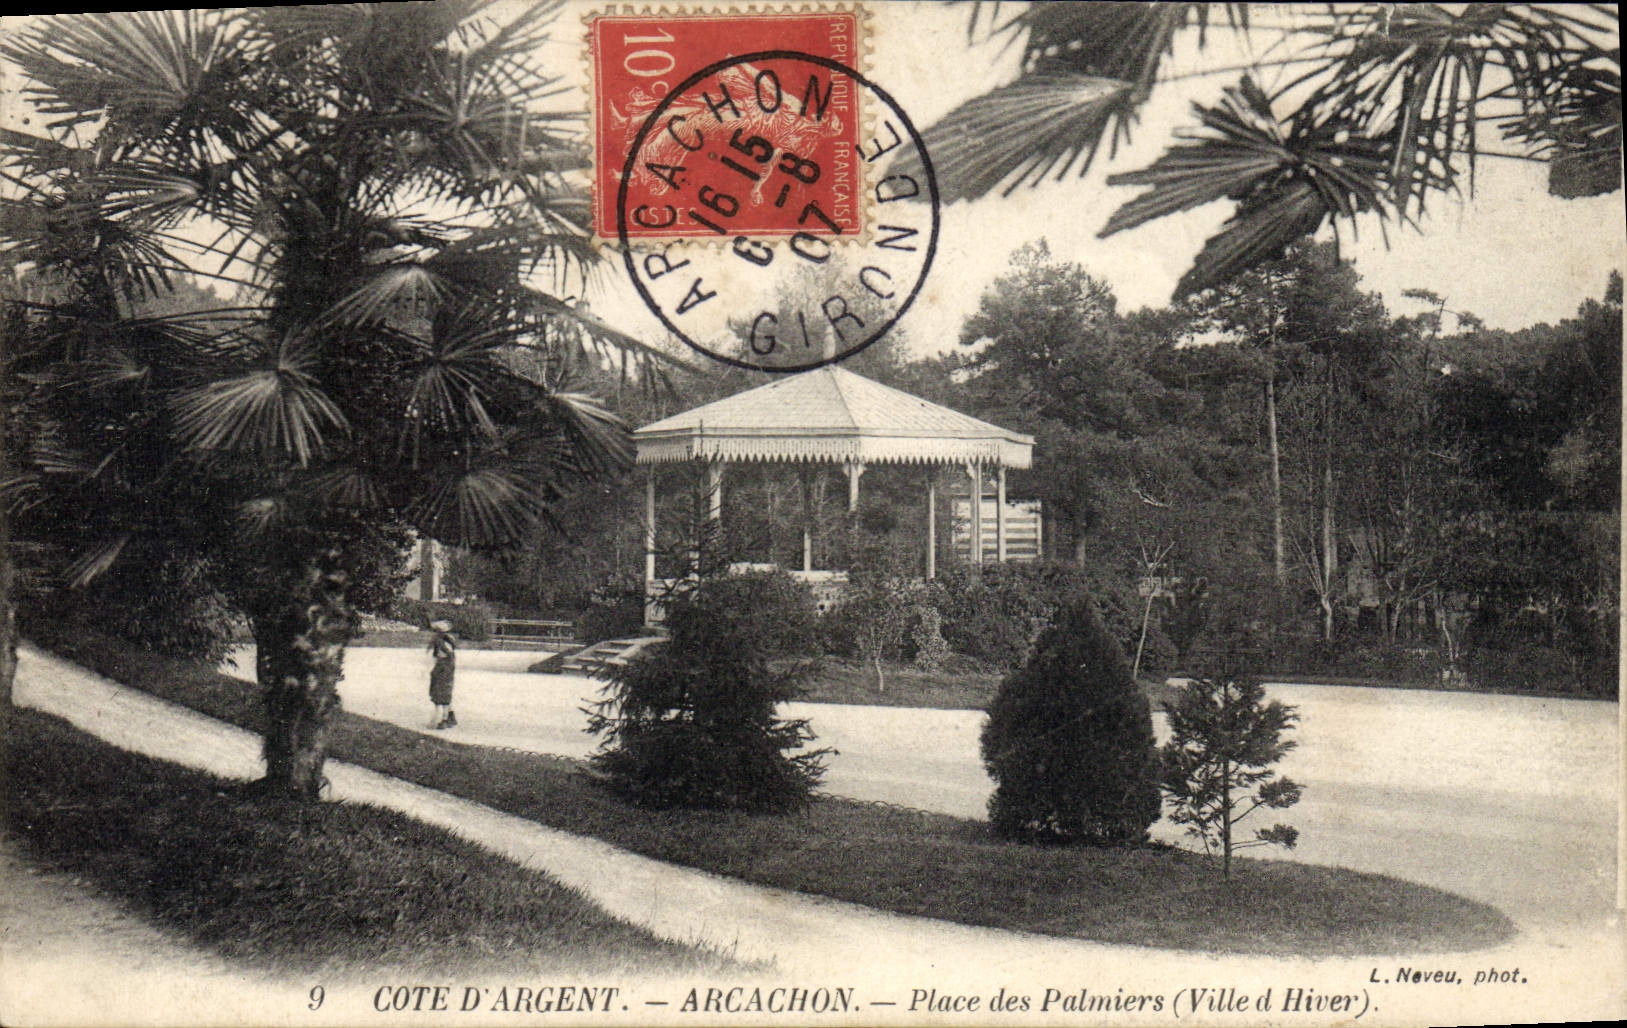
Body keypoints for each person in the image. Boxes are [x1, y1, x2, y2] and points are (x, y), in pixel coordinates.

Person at [428, 619, 457, 729]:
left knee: (441, 695)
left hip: (444, 670)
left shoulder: (442, 642)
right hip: (444, 670)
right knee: (444, 694)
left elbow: (441, 655)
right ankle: (448, 717)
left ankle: (442, 719)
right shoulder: (446, 641)